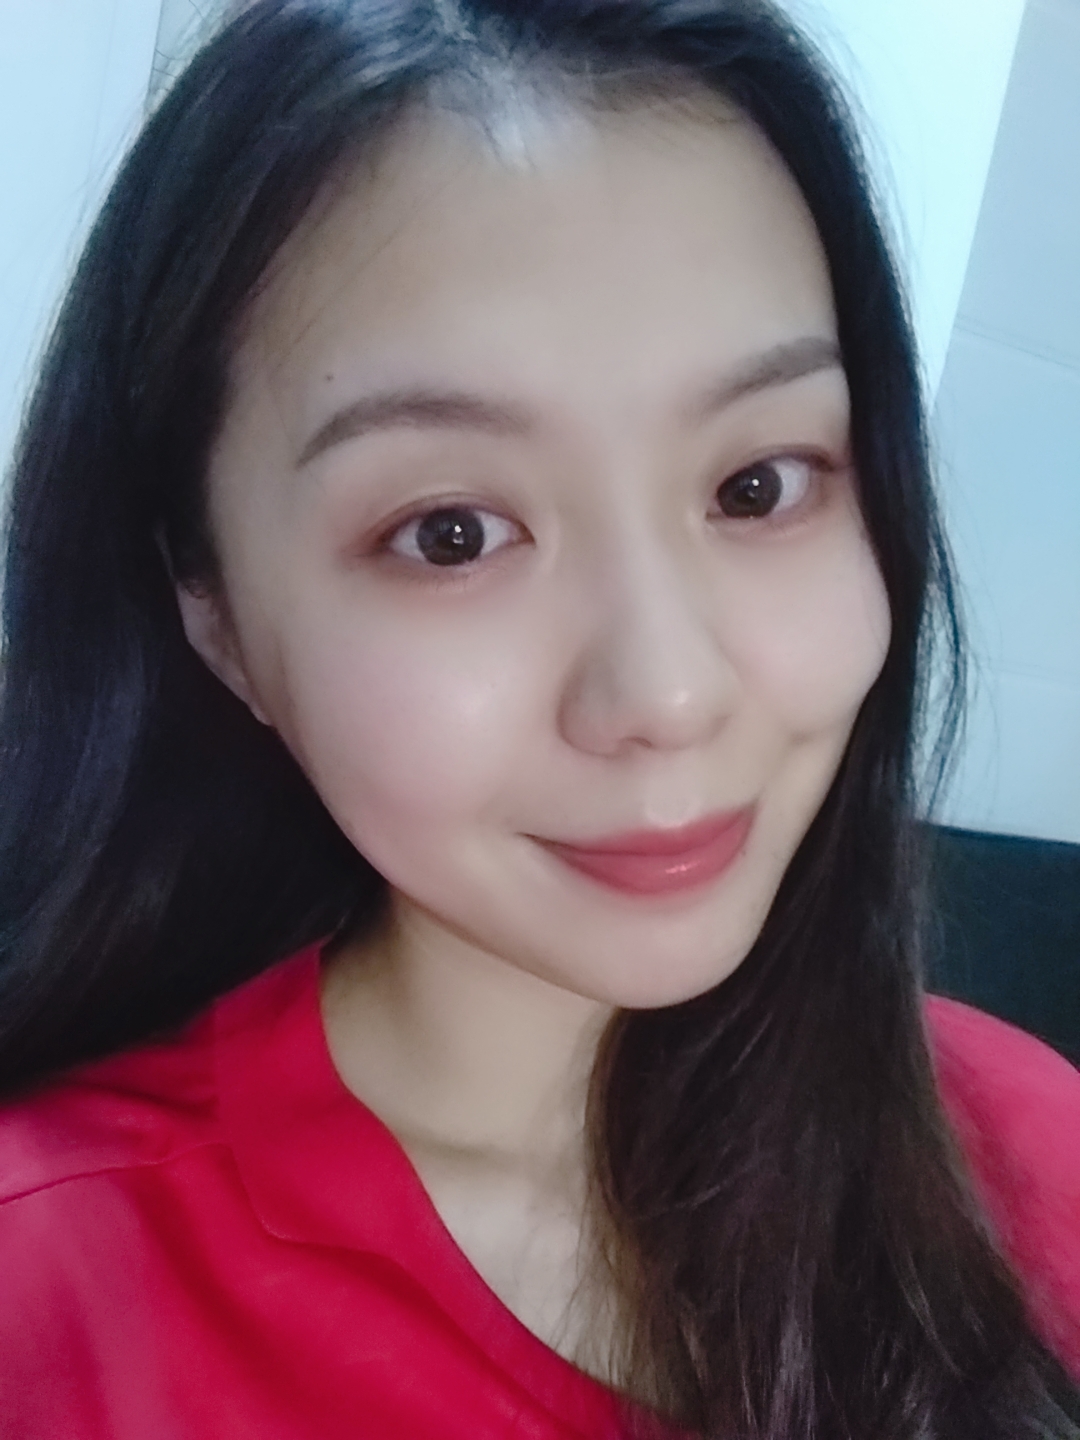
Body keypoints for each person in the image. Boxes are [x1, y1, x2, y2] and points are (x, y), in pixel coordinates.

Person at [0, 0, 1077, 1435]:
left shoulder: (1026, 1144)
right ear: (215, 616)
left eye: (757, 486)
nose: (669, 694)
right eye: (449, 533)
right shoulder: (52, 1297)